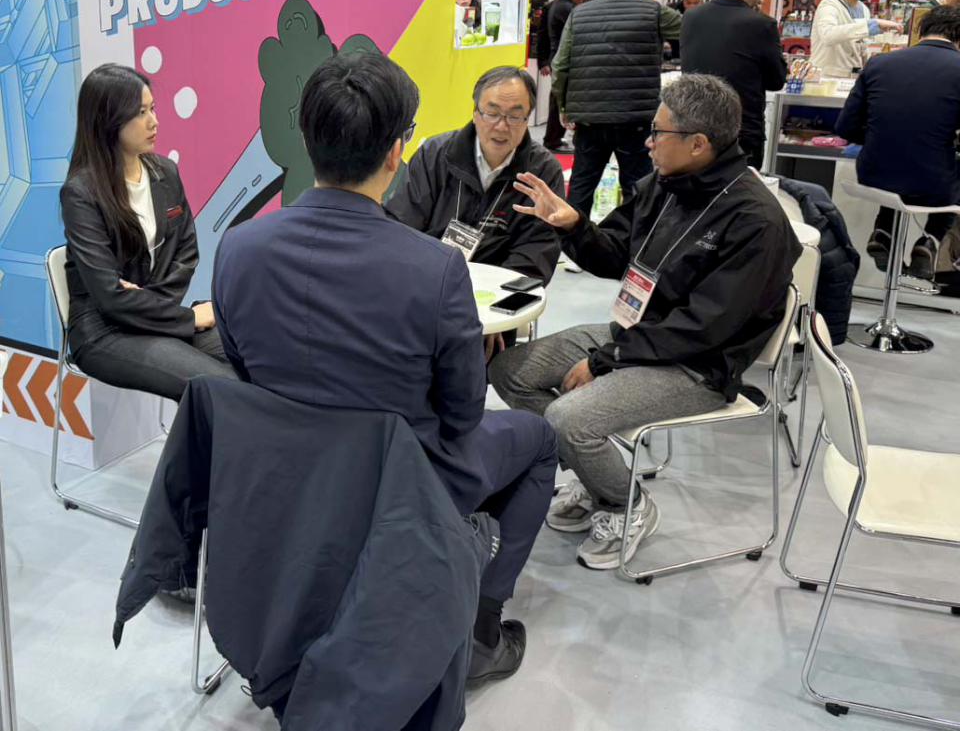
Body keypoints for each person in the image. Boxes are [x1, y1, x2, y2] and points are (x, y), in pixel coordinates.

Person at [213, 51, 558, 686]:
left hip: (280, 470)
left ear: (306, 140)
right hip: (401, 475)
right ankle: (478, 631)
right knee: (539, 440)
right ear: (398, 152)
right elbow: (463, 413)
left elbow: (241, 368)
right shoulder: (435, 270)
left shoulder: (238, 248)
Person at [489, 74, 800, 570]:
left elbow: (703, 328)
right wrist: (573, 226)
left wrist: (606, 360)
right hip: (635, 336)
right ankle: (597, 476)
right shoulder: (664, 184)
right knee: (509, 371)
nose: (648, 142)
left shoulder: (755, 221)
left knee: (569, 418)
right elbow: (616, 255)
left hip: (697, 367)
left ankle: (625, 503)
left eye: (658, 132)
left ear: (698, 144)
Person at [59, 64, 235, 401]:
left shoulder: (165, 172)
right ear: (109, 120)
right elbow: (109, 297)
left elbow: (186, 252)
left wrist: (151, 306)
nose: (154, 121)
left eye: (152, 108)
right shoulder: (81, 193)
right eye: (140, 113)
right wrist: (186, 318)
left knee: (256, 361)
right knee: (221, 388)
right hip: (103, 332)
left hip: (159, 317)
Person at [386, 65, 564, 307]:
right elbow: (402, 226)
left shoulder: (543, 171)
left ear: (527, 119)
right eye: (492, 113)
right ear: (475, 113)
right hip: (427, 289)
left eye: (514, 116)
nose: (501, 126)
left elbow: (537, 252)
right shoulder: (435, 155)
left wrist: (496, 303)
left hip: (496, 300)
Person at [551, 0, 682, 216]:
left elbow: (560, 65)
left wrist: (564, 107)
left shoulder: (579, 13)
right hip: (635, 120)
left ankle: (570, 239)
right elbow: (691, 30)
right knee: (637, 191)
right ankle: (632, 240)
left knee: (581, 188)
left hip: (589, 120)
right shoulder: (655, 12)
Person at [836, 5, 960, 280]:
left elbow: (845, 127)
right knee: (940, 168)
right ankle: (930, 239)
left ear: (921, 31)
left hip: (873, 173)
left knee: (897, 171)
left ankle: (884, 231)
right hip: (932, 180)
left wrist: (880, 138)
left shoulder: (879, 63)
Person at [680, 0, 787, 168]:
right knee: (737, 191)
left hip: (693, 131)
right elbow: (776, 80)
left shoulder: (691, 17)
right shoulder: (761, 24)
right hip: (740, 136)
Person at [810, 0, 902, 77]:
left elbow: (860, 47)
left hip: (850, 80)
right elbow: (828, 35)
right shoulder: (830, 5)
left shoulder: (863, 9)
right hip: (825, 79)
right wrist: (871, 25)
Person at [537, 0, 587, 152]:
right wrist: (543, 60)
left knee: (559, 100)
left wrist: (544, 60)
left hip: (557, 60)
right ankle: (553, 140)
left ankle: (554, 138)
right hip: (565, 62)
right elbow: (544, 34)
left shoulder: (555, 5)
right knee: (560, 101)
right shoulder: (568, 9)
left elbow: (542, 34)